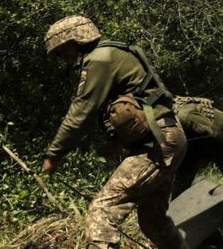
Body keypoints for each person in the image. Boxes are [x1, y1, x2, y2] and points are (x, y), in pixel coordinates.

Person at [41, 15, 187, 249]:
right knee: (153, 221)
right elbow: (137, 104)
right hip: (166, 138)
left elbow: (80, 112)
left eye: (62, 51)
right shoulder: (110, 54)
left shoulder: (99, 59)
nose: (63, 59)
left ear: (76, 41)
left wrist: (54, 154)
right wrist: (118, 142)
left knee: (102, 212)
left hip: (158, 143)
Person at [171, 95, 223, 198]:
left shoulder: (185, 116)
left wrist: (203, 157)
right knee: (179, 191)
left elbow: (212, 134)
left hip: (222, 135)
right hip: (191, 144)